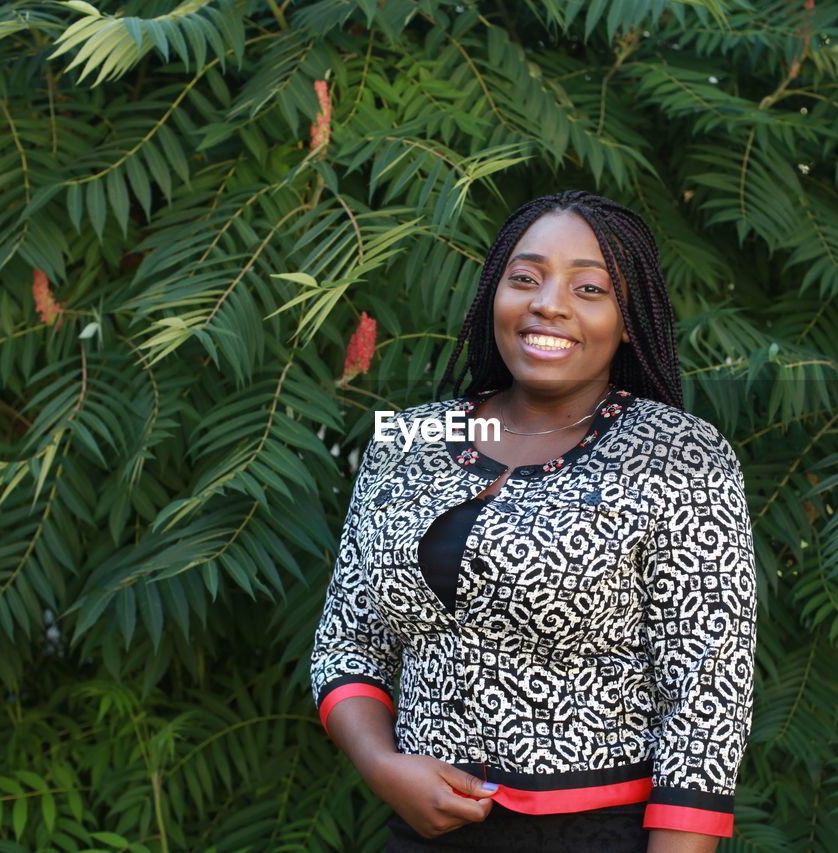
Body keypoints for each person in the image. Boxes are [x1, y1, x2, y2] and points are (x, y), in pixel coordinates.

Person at [310, 190, 758, 852]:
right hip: (425, 831)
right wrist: (381, 765)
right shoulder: (405, 441)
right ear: (495, 293)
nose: (548, 302)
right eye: (525, 278)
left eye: (589, 287)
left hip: (600, 833)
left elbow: (707, 700)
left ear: (628, 320)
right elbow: (347, 640)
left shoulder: (679, 454)